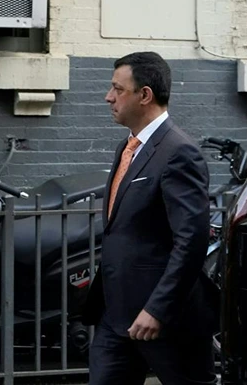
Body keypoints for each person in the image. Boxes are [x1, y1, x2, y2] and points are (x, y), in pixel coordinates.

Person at [82, 52, 216, 385]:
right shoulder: (126, 148)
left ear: (145, 95)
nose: (108, 97)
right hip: (116, 316)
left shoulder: (179, 152)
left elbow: (191, 241)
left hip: (164, 320)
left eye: (117, 89)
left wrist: (158, 309)